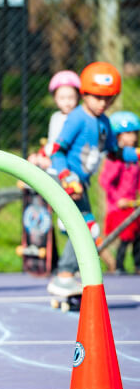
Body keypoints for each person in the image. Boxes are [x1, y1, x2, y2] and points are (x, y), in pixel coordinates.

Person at [49, 61, 140, 295]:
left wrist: (136, 153)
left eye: (109, 98)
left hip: (82, 184)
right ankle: (64, 275)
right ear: (84, 94)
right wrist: (66, 177)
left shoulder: (104, 123)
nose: (103, 103)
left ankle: (70, 273)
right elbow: (57, 151)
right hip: (68, 181)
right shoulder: (77, 118)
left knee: (87, 230)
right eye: (97, 97)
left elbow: (114, 152)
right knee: (87, 228)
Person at [98, 111, 140, 274]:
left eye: (134, 133)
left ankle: (137, 264)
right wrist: (118, 199)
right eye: (128, 133)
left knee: (138, 237)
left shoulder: (135, 159)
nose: (133, 138)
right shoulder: (115, 158)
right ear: (117, 136)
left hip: (133, 206)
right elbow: (105, 181)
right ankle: (119, 266)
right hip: (118, 208)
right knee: (125, 238)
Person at [28, 70, 81, 171]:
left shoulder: (77, 118)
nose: (67, 102)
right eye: (62, 98)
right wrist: (42, 154)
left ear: (78, 97)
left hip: (65, 160)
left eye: (71, 97)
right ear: (55, 98)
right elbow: (52, 140)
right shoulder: (56, 117)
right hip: (52, 154)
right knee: (32, 160)